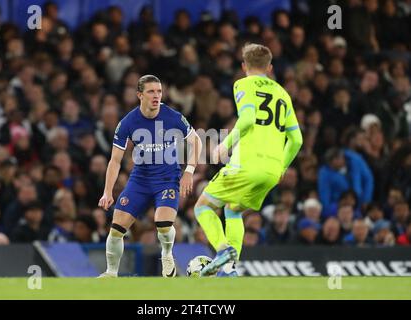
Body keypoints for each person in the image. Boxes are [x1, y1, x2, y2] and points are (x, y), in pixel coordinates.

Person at [194, 43, 303, 276]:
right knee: (233, 211)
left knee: (202, 207)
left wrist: (225, 144)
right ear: (270, 68)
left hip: (247, 164)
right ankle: (231, 270)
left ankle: (223, 251)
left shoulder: (242, 84)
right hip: (273, 170)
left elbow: (247, 119)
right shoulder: (283, 94)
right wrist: (282, 166)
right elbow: (297, 140)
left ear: (244, 66)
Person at [97, 75, 202, 278]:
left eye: (159, 91)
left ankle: (167, 253)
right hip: (140, 180)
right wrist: (107, 191)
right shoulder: (128, 122)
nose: (156, 96)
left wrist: (189, 171)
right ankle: (111, 273)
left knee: (163, 225)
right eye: (151, 92)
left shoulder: (172, 116)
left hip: (167, 179)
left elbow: (196, 141)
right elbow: (115, 160)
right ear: (139, 95)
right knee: (117, 228)